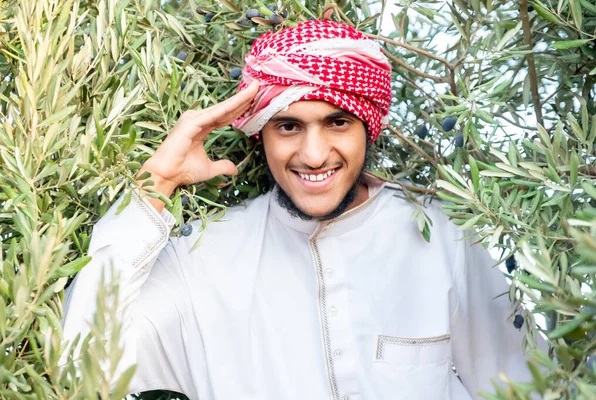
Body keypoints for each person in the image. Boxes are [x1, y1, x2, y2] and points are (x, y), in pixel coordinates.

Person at [62, 20, 533, 400]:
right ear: (259, 133)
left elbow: (525, 384)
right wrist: (156, 183)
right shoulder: (201, 260)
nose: (313, 154)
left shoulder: (440, 232)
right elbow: (78, 362)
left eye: (337, 122)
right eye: (288, 126)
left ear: (368, 127)